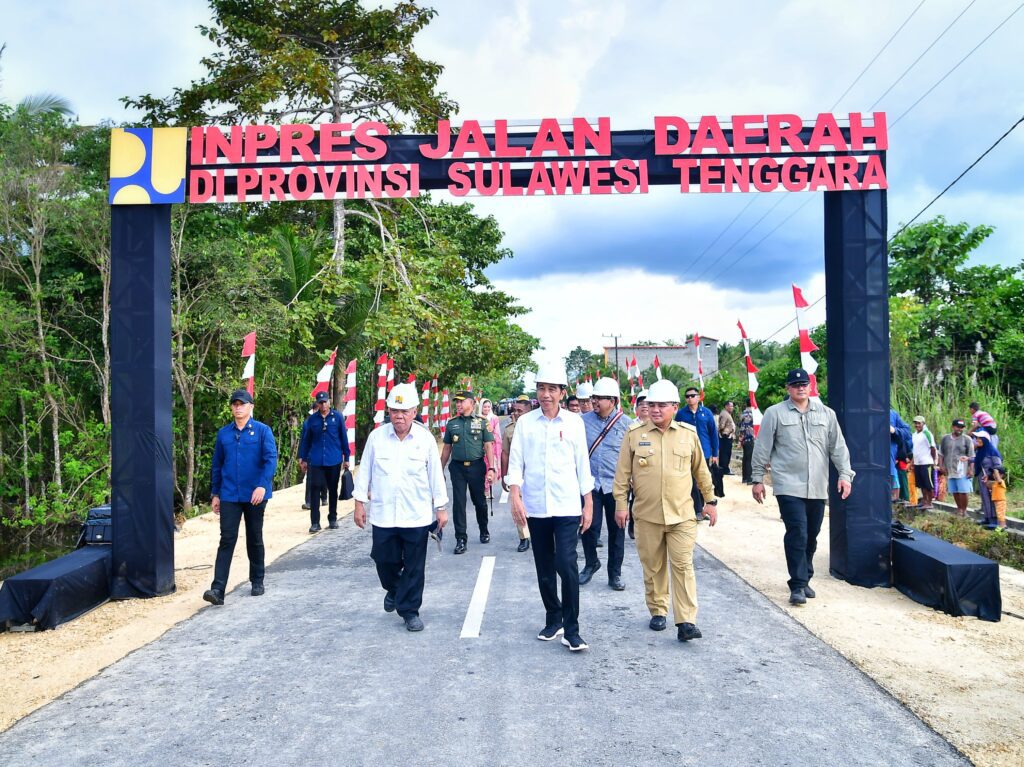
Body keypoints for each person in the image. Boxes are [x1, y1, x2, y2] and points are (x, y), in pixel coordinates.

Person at [613, 379, 715, 642]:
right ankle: (658, 610)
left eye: (662, 405)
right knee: (654, 566)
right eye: (652, 405)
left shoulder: (688, 434)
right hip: (647, 516)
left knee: (683, 565)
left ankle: (686, 621)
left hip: (682, 515)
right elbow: (622, 475)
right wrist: (621, 505)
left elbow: (701, 471)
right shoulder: (635, 435)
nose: (655, 410)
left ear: (674, 407)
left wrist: (710, 501)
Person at [506, 364, 594, 652]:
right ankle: (553, 617)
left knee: (566, 564)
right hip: (536, 505)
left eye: (551, 389)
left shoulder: (574, 423)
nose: (545, 394)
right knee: (543, 565)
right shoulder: (526, 423)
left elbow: (582, 463)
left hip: (568, 504)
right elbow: (516, 462)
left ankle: (572, 629)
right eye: (541, 388)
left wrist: (588, 501)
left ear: (562, 393)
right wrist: (515, 495)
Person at [751, 368, 854, 606]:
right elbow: (762, 447)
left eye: (804, 384)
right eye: (795, 384)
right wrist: (757, 479)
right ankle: (797, 585)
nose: (800, 388)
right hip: (788, 484)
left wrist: (845, 475)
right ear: (788, 388)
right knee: (797, 532)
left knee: (812, 535)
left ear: (811, 386)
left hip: (817, 485)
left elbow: (838, 447)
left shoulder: (826, 414)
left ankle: (805, 577)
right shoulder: (774, 413)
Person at [353, 383, 448, 632]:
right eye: (395, 410)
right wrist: (359, 503)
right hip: (384, 515)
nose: (399, 416)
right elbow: (365, 472)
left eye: (404, 411)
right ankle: (394, 589)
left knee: (415, 566)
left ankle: (410, 611)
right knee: (384, 560)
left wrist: (441, 508)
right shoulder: (377, 437)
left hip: (416, 514)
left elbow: (435, 475)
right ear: (389, 411)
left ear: (415, 411)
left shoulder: (425, 439)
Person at [203, 389, 278, 606]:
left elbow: (270, 460)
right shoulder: (224, 434)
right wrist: (215, 493)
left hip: (254, 494)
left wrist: (263, 486)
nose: (238, 408)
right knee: (227, 538)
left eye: (242, 404)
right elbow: (217, 465)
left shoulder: (263, 431)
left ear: (250, 407)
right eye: (235, 404)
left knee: (254, 536)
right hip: (229, 494)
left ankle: (257, 579)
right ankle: (217, 589)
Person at [580, 377, 630, 591]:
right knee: (588, 526)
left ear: (614, 400)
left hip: (616, 486)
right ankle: (591, 563)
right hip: (591, 484)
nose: (595, 402)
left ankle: (615, 573)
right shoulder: (582, 421)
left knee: (617, 531)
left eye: (600, 398)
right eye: (594, 397)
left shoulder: (628, 424)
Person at [440, 390, 496, 554]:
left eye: (461, 401)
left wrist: (491, 468)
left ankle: (483, 529)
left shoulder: (482, 422)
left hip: (477, 467)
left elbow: (488, 446)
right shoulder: (452, 423)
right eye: (456, 401)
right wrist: (439, 470)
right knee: (459, 504)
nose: (458, 404)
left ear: (472, 403)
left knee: (479, 502)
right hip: (457, 468)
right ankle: (461, 539)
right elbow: (447, 449)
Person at [299, 390, 350, 532]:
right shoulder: (312, 420)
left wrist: (347, 457)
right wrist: (302, 458)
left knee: (333, 489)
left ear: (329, 401)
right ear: (317, 404)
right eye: (320, 403)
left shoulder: (337, 417)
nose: (323, 405)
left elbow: (343, 438)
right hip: (316, 460)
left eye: (325, 402)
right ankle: (315, 522)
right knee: (314, 489)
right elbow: (306, 440)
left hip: (333, 459)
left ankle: (332, 518)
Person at [675, 386, 718, 520]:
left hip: (704, 452)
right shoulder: (681, 414)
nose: (690, 398)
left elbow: (713, 433)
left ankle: (705, 507)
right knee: (692, 482)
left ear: (699, 397)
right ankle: (697, 510)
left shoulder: (706, 413)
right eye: (687, 396)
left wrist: (715, 454)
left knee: (703, 480)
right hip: (687, 452)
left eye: (693, 395)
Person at [501, 395, 533, 552]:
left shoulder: (538, 426)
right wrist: (504, 475)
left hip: (535, 472)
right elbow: (505, 453)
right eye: (515, 410)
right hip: (518, 473)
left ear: (529, 410)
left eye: (520, 410)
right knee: (518, 504)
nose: (517, 413)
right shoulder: (509, 430)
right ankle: (524, 537)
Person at [938, 418, 975, 517]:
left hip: (962, 469)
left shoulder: (967, 439)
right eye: (958, 427)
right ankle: (959, 509)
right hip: (950, 469)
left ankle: (964, 510)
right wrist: (941, 466)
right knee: (955, 490)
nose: (960, 429)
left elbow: (972, 455)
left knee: (963, 491)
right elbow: (941, 453)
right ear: (953, 427)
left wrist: (971, 469)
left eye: (962, 427)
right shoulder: (945, 438)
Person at [972, 430, 1003, 529]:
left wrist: (990, 475)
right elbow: (979, 460)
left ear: (985, 440)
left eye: (979, 438)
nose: (977, 440)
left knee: (992, 498)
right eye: (977, 438)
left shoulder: (992, 451)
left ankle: (994, 520)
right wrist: (968, 459)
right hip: (983, 479)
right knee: (985, 498)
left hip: (991, 480)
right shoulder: (981, 451)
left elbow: (998, 466)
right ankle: (987, 518)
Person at [910, 416, 937, 510]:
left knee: (928, 484)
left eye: (919, 423)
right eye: (916, 423)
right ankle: (924, 501)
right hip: (918, 463)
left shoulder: (927, 433)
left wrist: (934, 461)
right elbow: (915, 450)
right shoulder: (914, 435)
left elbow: (932, 448)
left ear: (923, 424)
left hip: (926, 462)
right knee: (921, 484)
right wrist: (912, 463)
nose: (917, 425)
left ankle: (929, 502)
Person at [480, 398, 503, 492]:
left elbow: (497, 433)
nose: (487, 409)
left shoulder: (494, 418)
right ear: (481, 407)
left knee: (491, 466)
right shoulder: (477, 419)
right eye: (485, 407)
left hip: (492, 447)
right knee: (482, 467)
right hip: (480, 447)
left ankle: (488, 488)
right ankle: (484, 488)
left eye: (489, 407)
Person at [717, 401, 737, 475]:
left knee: (726, 453)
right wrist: (724, 433)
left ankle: (724, 468)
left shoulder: (726, 413)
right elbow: (722, 425)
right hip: (725, 436)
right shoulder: (725, 414)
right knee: (725, 453)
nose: (732, 408)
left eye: (732, 406)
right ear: (726, 406)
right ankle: (724, 469)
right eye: (730, 406)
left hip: (727, 436)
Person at [739, 406, 756, 484]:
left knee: (745, 458)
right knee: (750, 458)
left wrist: (740, 439)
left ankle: (744, 478)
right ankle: (750, 478)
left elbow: (741, 426)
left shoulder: (743, 413)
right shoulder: (753, 413)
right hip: (750, 438)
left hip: (744, 438)